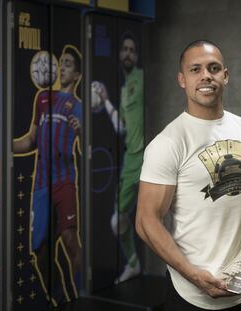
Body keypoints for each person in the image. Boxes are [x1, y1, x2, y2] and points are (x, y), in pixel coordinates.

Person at [136, 40, 241, 310]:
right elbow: (146, 221)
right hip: (191, 293)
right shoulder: (168, 142)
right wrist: (193, 276)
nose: (206, 76)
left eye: (213, 68)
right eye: (195, 69)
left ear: (225, 76)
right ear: (182, 79)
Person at [13, 45, 82, 305]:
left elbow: (87, 145)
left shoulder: (77, 106)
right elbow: (30, 141)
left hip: (64, 181)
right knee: (40, 250)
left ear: (76, 75)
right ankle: (58, 295)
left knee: (69, 240)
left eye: (68, 64)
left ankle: (78, 294)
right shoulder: (42, 98)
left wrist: (81, 129)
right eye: (61, 62)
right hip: (41, 184)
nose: (62, 67)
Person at [93, 31, 144, 283]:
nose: (127, 53)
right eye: (124, 49)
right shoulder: (125, 90)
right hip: (131, 162)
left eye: (131, 50)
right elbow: (121, 127)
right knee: (117, 221)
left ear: (137, 55)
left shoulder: (143, 79)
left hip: (151, 159)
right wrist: (106, 102)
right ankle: (133, 263)